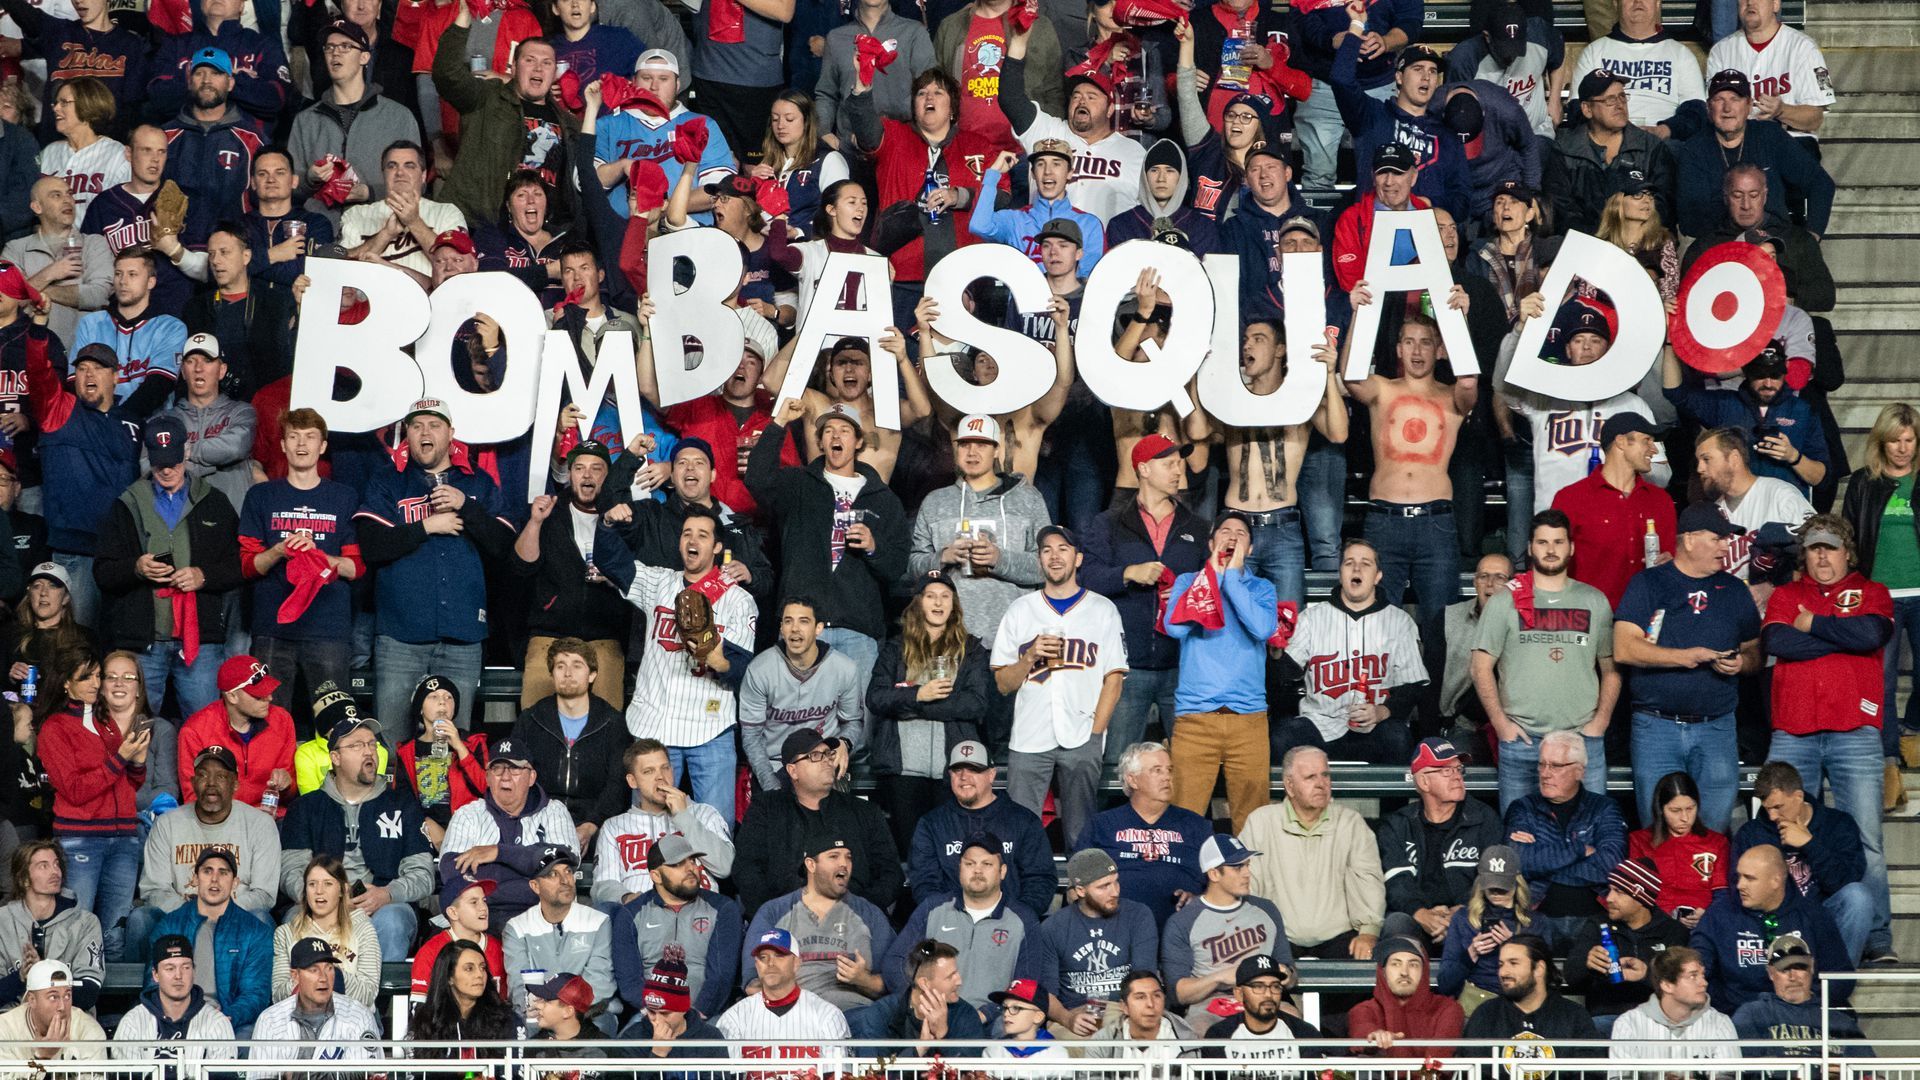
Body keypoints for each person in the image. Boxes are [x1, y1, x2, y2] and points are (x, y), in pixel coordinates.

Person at [1761, 516, 1896, 962]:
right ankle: (1796, 925)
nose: (1822, 556)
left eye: (1831, 548)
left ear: (1846, 552)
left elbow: (1872, 633)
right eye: (1814, 548)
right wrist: (1841, 636)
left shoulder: (1871, 591)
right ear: (1804, 554)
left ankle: (1875, 935)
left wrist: (1812, 623)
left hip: (1854, 730)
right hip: (1794, 729)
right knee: (1783, 829)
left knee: (1866, 836)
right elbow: (1780, 642)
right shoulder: (1786, 595)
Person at [355, 398, 515, 736]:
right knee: (393, 741)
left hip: (463, 634)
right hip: (401, 634)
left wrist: (465, 507)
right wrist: (427, 527)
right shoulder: (388, 481)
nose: (425, 432)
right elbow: (371, 546)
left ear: (451, 434)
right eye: (417, 426)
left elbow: (503, 547)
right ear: (407, 434)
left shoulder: (477, 483)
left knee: (455, 743)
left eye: (434, 425)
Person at [748, 397, 909, 702]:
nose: (836, 436)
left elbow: (898, 566)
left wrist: (874, 547)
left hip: (858, 631)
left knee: (856, 731)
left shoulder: (883, 499)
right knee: (795, 721)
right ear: (819, 441)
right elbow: (756, 478)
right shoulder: (797, 484)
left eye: (845, 431)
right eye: (828, 430)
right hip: (803, 626)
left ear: (858, 441)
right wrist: (779, 422)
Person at [1613, 502, 1762, 833]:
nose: (1727, 546)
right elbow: (1623, 648)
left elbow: (1755, 650)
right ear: (1690, 539)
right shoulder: (1649, 583)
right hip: (1657, 727)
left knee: (1714, 830)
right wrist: (1686, 656)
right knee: (1658, 828)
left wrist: (1741, 663)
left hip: (1717, 728)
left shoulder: (1735, 590)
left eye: (1728, 539)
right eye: (1718, 538)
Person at [1347, 307, 1480, 670]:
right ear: (1399, 349)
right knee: (1377, 623)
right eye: (1410, 342)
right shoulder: (1383, 389)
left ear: (1440, 350)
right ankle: (1381, 712)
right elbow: (1351, 377)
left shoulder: (1453, 396)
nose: (1418, 351)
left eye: (1426, 342)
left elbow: (1469, 385)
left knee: (1439, 627)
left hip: (1434, 522)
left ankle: (1435, 720)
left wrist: (1459, 322)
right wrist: (1359, 312)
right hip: (1384, 520)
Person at [93, 414, 241, 717]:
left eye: (173, 461)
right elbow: (103, 573)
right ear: (148, 456)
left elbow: (240, 565)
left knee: (205, 733)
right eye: (160, 463)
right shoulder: (127, 502)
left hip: (200, 641)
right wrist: (136, 568)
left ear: (186, 453)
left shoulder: (215, 502)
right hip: (143, 641)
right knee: (132, 729)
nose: (167, 469)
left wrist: (204, 575)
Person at [1473, 510, 1620, 810]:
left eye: (1558, 542)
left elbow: (1611, 669)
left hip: (1581, 739)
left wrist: (1600, 722)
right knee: (1519, 839)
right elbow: (1480, 667)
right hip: (1523, 742)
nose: (1551, 550)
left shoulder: (1595, 600)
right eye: (1542, 542)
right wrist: (1501, 724)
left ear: (1571, 548)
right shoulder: (1504, 601)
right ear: (1529, 548)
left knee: (1591, 835)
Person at [992, 524, 1129, 846]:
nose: (1055, 557)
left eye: (1063, 549)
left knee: (1082, 833)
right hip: (1029, 735)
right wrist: (1028, 658)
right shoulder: (1020, 610)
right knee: (1019, 832)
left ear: (1078, 558)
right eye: (1047, 550)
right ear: (1039, 560)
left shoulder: (1103, 609)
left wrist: (1096, 734)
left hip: (1082, 734)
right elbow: (1002, 683)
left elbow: (1114, 678)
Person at [1080, 434, 1208, 768]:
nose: (1179, 471)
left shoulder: (1198, 526)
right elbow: (1086, 579)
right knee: (1117, 768)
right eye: (1169, 464)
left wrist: (1189, 592)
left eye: (1179, 463)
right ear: (1144, 469)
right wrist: (1128, 573)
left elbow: (1211, 590)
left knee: (1191, 770)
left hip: (1184, 666)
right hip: (1127, 666)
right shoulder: (1108, 523)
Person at [277, 711, 432, 964]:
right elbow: (291, 872)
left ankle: (376, 1003)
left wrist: (387, 894)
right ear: (335, 757)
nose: (369, 751)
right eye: (357, 745)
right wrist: (323, 899)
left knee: (393, 922)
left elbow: (423, 875)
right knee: (295, 920)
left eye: (372, 743)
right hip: (320, 903)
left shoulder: (403, 804)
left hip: (384, 905)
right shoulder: (306, 807)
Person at [237, 408, 362, 710]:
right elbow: (246, 566)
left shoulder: (344, 497)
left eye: (310, 437)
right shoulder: (261, 496)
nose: (301, 444)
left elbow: (355, 567)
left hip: (328, 627)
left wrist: (317, 556)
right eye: (293, 437)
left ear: (323, 446)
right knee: (268, 717)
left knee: (336, 722)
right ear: (282, 445)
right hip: (272, 628)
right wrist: (279, 550)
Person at [1160, 516, 1278, 832]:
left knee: (1253, 822)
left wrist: (1232, 579)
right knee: (1183, 820)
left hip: (1248, 719)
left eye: (1241, 533)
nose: (1232, 536)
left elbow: (1263, 627)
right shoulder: (1188, 582)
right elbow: (1174, 627)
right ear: (1211, 544)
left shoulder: (1261, 588)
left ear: (1249, 548)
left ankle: (1251, 883)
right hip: (1195, 719)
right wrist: (1212, 575)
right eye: (1225, 531)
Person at [20, 330, 141, 631]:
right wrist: (38, 329)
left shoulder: (134, 422)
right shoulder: (59, 410)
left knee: (117, 647)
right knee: (80, 644)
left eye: (98, 367)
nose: (89, 373)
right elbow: (37, 374)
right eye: (82, 368)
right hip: (77, 550)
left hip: (123, 554)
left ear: (116, 376)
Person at [867, 574, 997, 850]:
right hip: (903, 769)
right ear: (918, 603)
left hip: (951, 769)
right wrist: (918, 694)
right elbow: (876, 697)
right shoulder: (895, 647)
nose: (938, 603)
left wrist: (915, 705)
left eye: (945, 596)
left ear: (954, 605)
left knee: (950, 848)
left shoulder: (971, 649)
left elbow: (975, 703)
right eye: (930, 596)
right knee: (911, 848)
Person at [30, 649, 145, 961]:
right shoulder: (54, 728)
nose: (97, 683)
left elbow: (129, 784)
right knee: (74, 931)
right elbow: (75, 789)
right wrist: (122, 758)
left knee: (115, 934)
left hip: (124, 838)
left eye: (98, 675)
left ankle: (113, 1009)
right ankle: (75, 1005)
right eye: (87, 677)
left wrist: (136, 763)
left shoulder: (105, 723)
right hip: (81, 839)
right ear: (67, 683)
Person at [909, 414, 1050, 651]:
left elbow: (1047, 567)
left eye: (982, 444)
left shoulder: (1027, 499)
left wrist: (999, 559)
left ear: (996, 450)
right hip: (950, 639)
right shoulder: (935, 502)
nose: (972, 452)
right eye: (965, 444)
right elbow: (914, 569)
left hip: (1013, 638)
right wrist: (943, 557)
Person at [1278, 538, 1426, 764]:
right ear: (1340, 573)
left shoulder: (1399, 621)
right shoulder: (1311, 618)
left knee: (1398, 737)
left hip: (1375, 727)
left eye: (1365, 563)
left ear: (1378, 576)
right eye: (1349, 563)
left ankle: (1398, 801)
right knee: (1283, 736)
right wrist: (1275, 652)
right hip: (1320, 724)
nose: (1356, 568)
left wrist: (1381, 712)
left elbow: (1412, 686)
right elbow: (1285, 674)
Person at [512, 445, 631, 709]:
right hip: (550, 632)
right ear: (570, 475)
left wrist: (614, 579)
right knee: (536, 714)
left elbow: (638, 576)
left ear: (608, 476)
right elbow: (522, 565)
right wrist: (535, 523)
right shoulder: (550, 511)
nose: (587, 475)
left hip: (604, 634)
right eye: (579, 468)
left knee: (608, 717)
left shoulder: (623, 515)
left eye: (596, 469)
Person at [734, 730, 901, 916]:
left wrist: (862, 909)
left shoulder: (865, 811)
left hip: (855, 920)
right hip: (786, 921)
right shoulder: (766, 809)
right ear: (793, 771)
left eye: (829, 754)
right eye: (815, 755)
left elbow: (891, 872)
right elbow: (747, 870)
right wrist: (775, 914)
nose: (827, 760)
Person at [1240, 745, 1385, 960]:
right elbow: (1246, 886)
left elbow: (1368, 880)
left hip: (1340, 937)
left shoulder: (1350, 822)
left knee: (1364, 963)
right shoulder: (1261, 822)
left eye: (1325, 775)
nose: (1321, 784)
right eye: (1310, 777)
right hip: (1275, 937)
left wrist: (1369, 932)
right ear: (1289, 785)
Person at [134, 744, 279, 953]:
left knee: (261, 918)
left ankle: (254, 986)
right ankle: (149, 984)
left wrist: (221, 911)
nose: (211, 784)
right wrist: (193, 913)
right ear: (193, 782)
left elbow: (264, 895)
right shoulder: (167, 824)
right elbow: (154, 890)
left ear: (235, 784)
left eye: (221, 777)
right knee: (141, 919)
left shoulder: (260, 824)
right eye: (203, 775)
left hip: (238, 917)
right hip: (179, 919)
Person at [1843, 403, 1920, 777]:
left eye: (1909, 440)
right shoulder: (1863, 482)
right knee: (1883, 679)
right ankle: (1889, 755)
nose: (1903, 448)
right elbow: (1849, 537)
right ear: (1882, 443)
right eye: (1895, 441)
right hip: (1880, 595)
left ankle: (1915, 729)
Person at [1733, 761, 1875, 964]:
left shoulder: (1838, 824)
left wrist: (1809, 844)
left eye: (1778, 807)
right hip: (1774, 918)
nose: (1772, 816)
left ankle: (1838, 982)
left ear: (1798, 796)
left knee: (1858, 897)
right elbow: (1738, 888)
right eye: (1767, 808)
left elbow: (1845, 881)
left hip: (1823, 915)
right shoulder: (1752, 833)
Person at [438, 737, 581, 930]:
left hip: (543, 917)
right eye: (497, 769)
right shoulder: (468, 814)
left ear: (531, 777)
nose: (505, 776)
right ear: (488, 777)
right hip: (481, 918)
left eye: (514, 768)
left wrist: (498, 853)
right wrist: (532, 876)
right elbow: (451, 872)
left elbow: (563, 864)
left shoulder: (554, 812)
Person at [905, 740, 1058, 917]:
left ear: (991, 774)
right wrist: (951, 919)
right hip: (951, 926)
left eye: (974, 769)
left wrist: (1015, 919)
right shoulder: (932, 823)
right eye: (957, 770)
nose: (964, 776)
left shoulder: (1023, 820)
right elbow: (925, 883)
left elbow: (1040, 878)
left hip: (1011, 927)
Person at [1502, 730, 1629, 944]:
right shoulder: (1523, 808)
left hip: (1596, 916)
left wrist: (1544, 860)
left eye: (1556, 766)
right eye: (1542, 764)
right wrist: (1579, 850)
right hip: (1537, 916)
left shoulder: (1604, 808)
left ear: (1579, 771)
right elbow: (1517, 861)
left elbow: (1611, 864)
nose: (1545, 773)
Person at [742, 836, 894, 1013]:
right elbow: (751, 984)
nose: (844, 863)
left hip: (854, 1012)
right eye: (834, 856)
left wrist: (863, 980)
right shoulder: (774, 912)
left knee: (875, 1019)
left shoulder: (869, 914)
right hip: (793, 1014)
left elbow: (894, 983)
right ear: (811, 865)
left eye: (848, 857)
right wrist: (792, 1005)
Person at [1376, 738, 1504, 948]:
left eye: (1458, 769)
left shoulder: (1484, 818)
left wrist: (1463, 910)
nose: (1456, 776)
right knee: (1396, 923)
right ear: (1424, 782)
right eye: (1446, 770)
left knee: (1484, 922)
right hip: (1417, 917)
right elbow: (1396, 881)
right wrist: (1420, 913)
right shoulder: (1398, 824)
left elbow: (1492, 877)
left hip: (1468, 915)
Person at [1693, 844, 1852, 1011]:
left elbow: (1840, 978)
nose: (1740, 885)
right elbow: (1697, 969)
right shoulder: (1719, 915)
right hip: (1739, 1021)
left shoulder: (1813, 916)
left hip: (1803, 1018)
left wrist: (1808, 1002)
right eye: (1738, 877)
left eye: (1750, 878)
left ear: (1775, 880)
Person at [287, 20, 423, 216]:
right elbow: (289, 188)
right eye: (330, 47)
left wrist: (370, 192)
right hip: (323, 231)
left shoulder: (398, 117)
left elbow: (417, 183)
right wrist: (309, 178)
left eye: (346, 46)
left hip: (378, 228)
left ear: (364, 57)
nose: (336, 53)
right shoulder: (305, 120)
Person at [1676, 70, 1832, 238]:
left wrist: (1813, 235)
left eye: (1735, 99)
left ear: (1749, 105)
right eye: (1719, 100)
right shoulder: (1695, 148)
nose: (1727, 108)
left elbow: (1821, 182)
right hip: (1719, 243)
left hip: (1774, 239)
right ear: (1708, 107)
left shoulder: (1769, 135)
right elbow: (1690, 219)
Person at [885, 834, 1035, 1010]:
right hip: (933, 1011)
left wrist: (989, 1013)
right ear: (959, 869)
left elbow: (1028, 984)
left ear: (1002, 871)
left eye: (987, 864)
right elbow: (895, 962)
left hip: (995, 1026)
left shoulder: (1023, 919)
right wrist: (920, 1001)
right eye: (969, 864)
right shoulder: (933, 909)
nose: (977, 870)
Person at [1552, 411, 1679, 610]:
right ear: (1621, 442)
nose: (1653, 450)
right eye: (1646, 440)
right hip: (1587, 621)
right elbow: (1554, 565)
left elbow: (1671, 559)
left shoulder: (1660, 501)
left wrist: (1671, 564)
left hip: (1645, 619)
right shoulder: (1571, 499)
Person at [1160, 835, 1294, 1022]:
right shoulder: (1182, 921)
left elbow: (1290, 971)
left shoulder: (1266, 909)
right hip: (1212, 1004)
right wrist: (1220, 977)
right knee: (1201, 1027)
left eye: (1247, 865)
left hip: (1265, 997)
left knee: (1296, 1021)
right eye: (1238, 867)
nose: (1247, 873)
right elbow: (1178, 994)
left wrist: (1285, 975)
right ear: (1214, 874)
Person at [1665, 345, 1828, 499]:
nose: (1768, 383)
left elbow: (1820, 478)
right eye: (1760, 375)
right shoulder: (1725, 404)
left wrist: (1793, 456)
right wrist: (1670, 344)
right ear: (1746, 372)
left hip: (1785, 512)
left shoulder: (1804, 411)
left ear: (1785, 373)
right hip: (1736, 510)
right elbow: (1675, 393)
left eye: (1775, 375)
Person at [739, 597, 866, 793]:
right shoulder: (759, 669)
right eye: (788, 621)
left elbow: (853, 721)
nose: (795, 628)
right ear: (781, 628)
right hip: (776, 765)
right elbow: (751, 736)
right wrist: (771, 787)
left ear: (818, 628)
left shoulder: (844, 668)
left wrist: (844, 743)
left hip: (822, 762)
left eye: (804, 621)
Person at [505, 638, 631, 834]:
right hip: (539, 817)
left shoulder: (612, 723)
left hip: (597, 821)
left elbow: (617, 784)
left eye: (577, 665)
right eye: (560, 666)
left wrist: (593, 824)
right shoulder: (531, 720)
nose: (568, 673)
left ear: (592, 675)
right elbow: (515, 776)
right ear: (552, 674)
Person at [610, 834, 742, 1020]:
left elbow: (720, 976)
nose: (691, 868)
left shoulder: (722, 908)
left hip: (705, 1014)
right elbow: (629, 980)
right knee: (628, 1046)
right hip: (651, 1015)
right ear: (656, 875)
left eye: (692, 860)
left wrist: (696, 1016)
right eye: (677, 864)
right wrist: (657, 1015)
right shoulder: (631, 914)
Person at [592, 739, 736, 907]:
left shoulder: (704, 814)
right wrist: (628, 898)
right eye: (648, 771)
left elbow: (725, 867)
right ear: (632, 781)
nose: (660, 777)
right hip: (641, 918)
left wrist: (683, 817)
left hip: (700, 917)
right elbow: (601, 887)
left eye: (665, 768)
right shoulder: (614, 827)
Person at [1077, 743, 1209, 924]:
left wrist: (1200, 900)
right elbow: (1077, 887)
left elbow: (1220, 882)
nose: (1167, 777)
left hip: (1183, 924)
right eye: (1157, 770)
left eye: (1169, 770)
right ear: (1132, 780)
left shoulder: (1196, 825)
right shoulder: (1102, 824)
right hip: (1115, 925)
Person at [1033, 848, 1158, 1036]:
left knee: (1120, 1040)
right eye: (1104, 886)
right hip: (1073, 1014)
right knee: (1074, 1046)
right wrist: (1067, 1019)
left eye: (1116, 882)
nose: (1114, 891)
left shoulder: (1138, 915)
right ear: (1081, 890)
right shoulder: (1053, 927)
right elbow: (1046, 993)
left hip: (1127, 1010)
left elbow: (1144, 980)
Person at [1543, 70, 1678, 237]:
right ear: (1587, 109)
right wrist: (1601, 239)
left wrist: (1625, 236)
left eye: (1622, 96)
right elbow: (1561, 210)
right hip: (1584, 244)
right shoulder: (1564, 149)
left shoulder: (1651, 147)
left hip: (1640, 243)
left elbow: (1663, 207)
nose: (1620, 105)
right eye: (1610, 100)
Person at [150, 848, 273, 1031]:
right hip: (177, 1016)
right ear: (195, 878)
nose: (214, 879)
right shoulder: (170, 926)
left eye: (223, 873)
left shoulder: (255, 931)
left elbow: (255, 993)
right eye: (207, 871)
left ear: (235, 882)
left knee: (248, 1039)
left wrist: (225, 1018)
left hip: (228, 1017)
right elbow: (152, 984)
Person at [1565, 857, 1690, 1032]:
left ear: (1641, 897)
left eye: (1619, 891)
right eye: (1610, 890)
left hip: (1656, 1022)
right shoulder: (1597, 925)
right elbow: (1571, 978)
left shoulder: (1673, 932)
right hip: (1605, 1019)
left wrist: (1647, 975)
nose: (1609, 898)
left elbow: (1683, 987)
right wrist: (1588, 965)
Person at [502, 847, 615, 1028]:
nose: (564, 881)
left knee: (603, 1023)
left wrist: (564, 1014)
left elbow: (599, 983)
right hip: (538, 1016)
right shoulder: (517, 927)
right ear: (535, 886)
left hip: (586, 1014)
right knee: (522, 1026)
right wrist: (551, 1013)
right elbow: (518, 988)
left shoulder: (598, 921)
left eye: (568, 872)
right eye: (553, 874)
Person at [175, 655, 295, 813]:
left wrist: (287, 784)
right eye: (259, 695)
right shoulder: (195, 731)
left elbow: (290, 793)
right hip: (218, 821)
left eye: (269, 691)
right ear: (232, 696)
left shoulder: (282, 720)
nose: (270, 698)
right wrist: (242, 818)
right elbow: (194, 798)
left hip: (272, 819)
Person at [4, 175, 111, 350]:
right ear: (37, 207)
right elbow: (7, 302)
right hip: (29, 357)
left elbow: (97, 295)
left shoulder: (94, 243)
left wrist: (33, 290)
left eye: (69, 194)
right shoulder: (16, 249)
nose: (67, 200)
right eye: (56, 195)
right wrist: (50, 273)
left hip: (83, 359)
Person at [812, 0, 935, 143]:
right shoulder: (836, 38)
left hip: (902, 144)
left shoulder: (914, 33)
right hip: (851, 146)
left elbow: (931, 88)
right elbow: (826, 94)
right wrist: (823, 131)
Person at [1731, 932, 1872, 1057]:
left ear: (1811, 967)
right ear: (1770, 973)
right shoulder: (1752, 1015)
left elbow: (1869, 1073)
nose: (1793, 977)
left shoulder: (1840, 1021)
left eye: (1800, 967)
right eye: (1784, 969)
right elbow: (1743, 1071)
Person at [338, 143, 466, 280]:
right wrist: (386, 234)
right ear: (383, 174)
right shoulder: (355, 214)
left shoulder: (447, 212)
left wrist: (414, 222)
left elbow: (455, 269)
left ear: (423, 176)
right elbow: (343, 272)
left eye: (409, 166)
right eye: (392, 166)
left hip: (427, 299)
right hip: (370, 299)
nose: (400, 172)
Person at [715, 929, 852, 1057]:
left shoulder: (827, 1016)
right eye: (763, 957)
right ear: (757, 965)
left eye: (779, 956)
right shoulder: (734, 1019)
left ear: (796, 963)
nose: (770, 963)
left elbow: (838, 1074)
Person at [0, 842, 103, 1010]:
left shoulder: (85, 923)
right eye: (43, 866)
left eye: (56, 864)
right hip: (12, 1024)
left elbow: (88, 992)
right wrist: (21, 976)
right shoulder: (2, 922)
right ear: (24, 879)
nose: (55, 872)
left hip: (68, 1020)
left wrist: (42, 975)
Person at [248, 938, 383, 1065]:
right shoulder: (270, 1020)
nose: (323, 978)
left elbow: (367, 1074)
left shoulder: (359, 1016)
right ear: (295, 975)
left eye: (329, 968)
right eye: (314, 970)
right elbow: (259, 1076)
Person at [271, 856, 380, 1007]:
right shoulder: (285, 933)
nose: (319, 891)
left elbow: (368, 994)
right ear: (305, 890)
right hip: (301, 1019)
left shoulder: (362, 929)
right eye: (312, 884)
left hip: (350, 1018)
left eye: (328, 884)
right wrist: (308, 977)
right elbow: (278, 996)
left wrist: (332, 974)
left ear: (342, 890)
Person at [847, 939, 986, 1056]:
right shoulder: (882, 1013)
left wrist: (942, 1037)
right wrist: (919, 1049)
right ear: (924, 983)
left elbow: (970, 1073)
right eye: (950, 976)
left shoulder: (966, 1014)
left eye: (957, 973)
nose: (959, 981)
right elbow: (873, 1071)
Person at [1435, 843, 1534, 1003]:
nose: (1496, 893)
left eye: (1502, 888)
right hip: (1475, 1002)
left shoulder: (1535, 922)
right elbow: (1445, 985)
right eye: (1491, 887)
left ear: (1517, 883)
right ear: (1481, 884)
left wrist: (1514, 947)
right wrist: (1470, 955)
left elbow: (1543, 983)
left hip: (1519, 1003)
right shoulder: (1462, 919)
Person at [1627, 771, 1730, 924]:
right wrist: (1663, 918)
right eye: (1675, 811)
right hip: (1656, 924)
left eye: (1690, 808)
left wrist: (1709, 915)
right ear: (1661, 809)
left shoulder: (1717, 843)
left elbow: (1722, 893)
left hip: (1704, 923)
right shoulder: (1639, 841)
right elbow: (1635, 894)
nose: (1685, 818)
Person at [1608, 946, 1740, 1062]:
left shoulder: (1720, 1023)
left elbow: (1729, 1075)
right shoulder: (1628, 1024)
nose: (1704, 983)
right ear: (1667, 985)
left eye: (1702, 975)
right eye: (1693, 976)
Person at [1461, 935, 1597, 1046]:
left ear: (1539, 969)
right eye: (1501, 965)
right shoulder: (1485, 1015)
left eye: (1513, 963)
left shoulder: (1575, 1017)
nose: (1503, 972)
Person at [111, 934, 236, 1055]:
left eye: (185, 967)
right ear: (155, 975)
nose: (178, 976)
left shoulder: (217, 1023)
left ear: (194, 971)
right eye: (170, 968)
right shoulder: (133, 1023)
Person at [1350, 935, 1465, 1058]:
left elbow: (1438, 1061)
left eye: (1413, 965)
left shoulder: (1447, 1009)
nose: (1404, 972)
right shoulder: (1364, 1010)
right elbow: (1363, 1028)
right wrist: (1374, 1037)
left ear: (1424, 971)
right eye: (1395, 964)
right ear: (1383, 972)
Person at [1196, 954, 1323, 1055]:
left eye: (1275, 986)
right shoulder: (1220, 1036)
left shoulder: (1304, 1034)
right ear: (1239, 994)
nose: (1268, 994)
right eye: (1258, 986)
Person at [1439, 554, 1511, 732]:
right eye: (1483, 576)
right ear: (1475, 583)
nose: (1490, 583)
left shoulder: (1526, 621)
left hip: (1514, 725)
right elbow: (1432, 681)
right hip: (1464, 724)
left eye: (1499, 577)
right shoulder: (1449, 618)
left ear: (1512, 585)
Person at [410, 877, 505, 1009]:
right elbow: (419, 1007)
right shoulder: (431, 951)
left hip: (494, 1025)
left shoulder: (499, 948)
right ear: (453, 912)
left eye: (484, 901)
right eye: (474, 902)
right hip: (446, 1026)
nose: (483, 908)